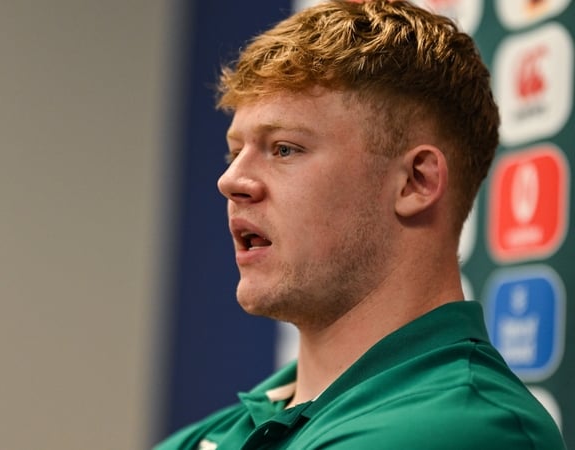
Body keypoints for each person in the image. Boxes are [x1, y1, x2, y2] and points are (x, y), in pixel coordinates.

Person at [155, 1, 566, 449]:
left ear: (416, 182)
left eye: (284, 149)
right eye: (235, 153)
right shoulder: (216, 432)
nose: (230, 181)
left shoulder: (466, 426)